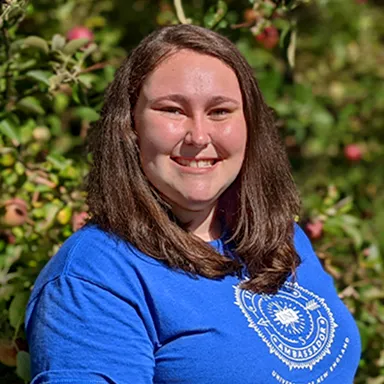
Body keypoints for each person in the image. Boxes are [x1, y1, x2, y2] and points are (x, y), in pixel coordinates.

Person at [25, 24, 361, 384]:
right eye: (172, 110)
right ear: (130, 127)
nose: (199, 136)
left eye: (220, 111)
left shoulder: (281, 235)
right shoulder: (94, 280)